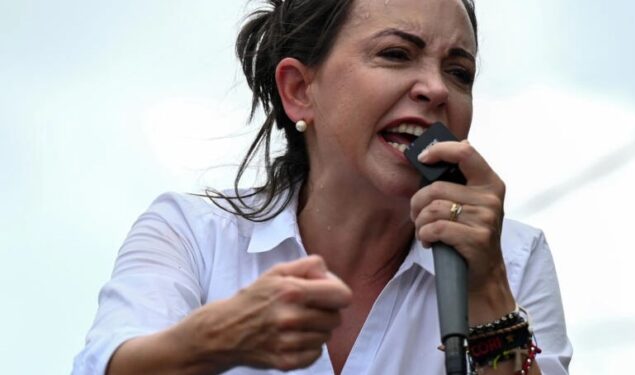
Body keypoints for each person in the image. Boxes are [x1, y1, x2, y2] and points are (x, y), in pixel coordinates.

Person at [74, 0, 573, 373]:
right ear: (298, 91)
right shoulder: (192, 235)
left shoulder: (514, 257)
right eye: (397, 54)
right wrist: (216, 338)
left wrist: (486, 286)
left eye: (459, 71)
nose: (436, 89)